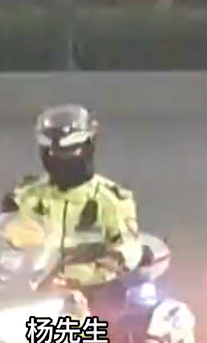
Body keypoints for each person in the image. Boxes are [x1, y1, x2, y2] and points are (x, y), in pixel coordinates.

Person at [1, 104, 143, 314]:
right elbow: (6, 244)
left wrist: (77, 276)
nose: (61, 159)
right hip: (32, 296)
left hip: (91, 297)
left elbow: (128, 250)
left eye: (70, 151)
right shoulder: (24, 196)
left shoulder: (111, 200)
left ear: (87, 148)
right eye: (53, 153)